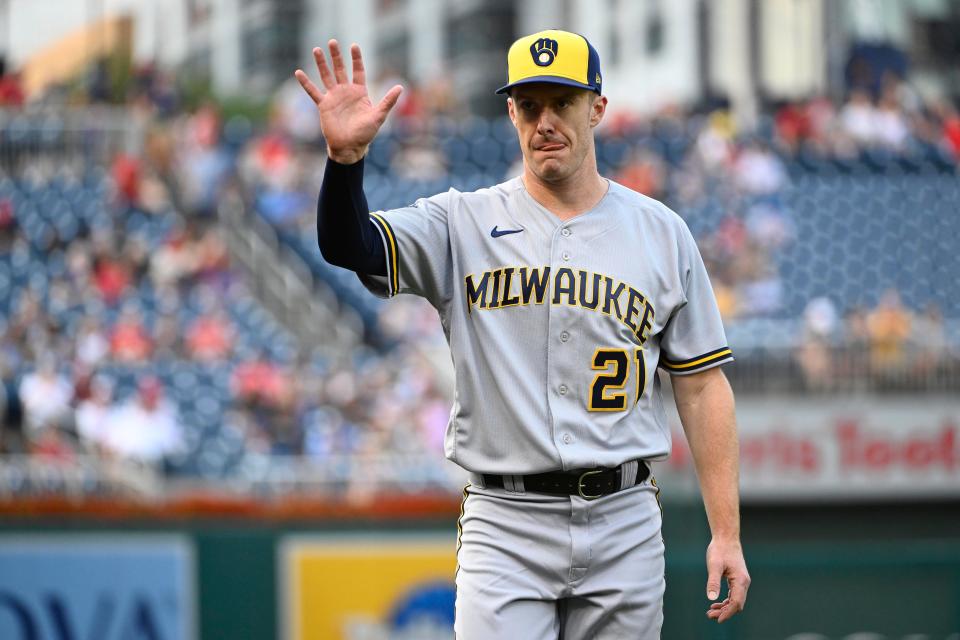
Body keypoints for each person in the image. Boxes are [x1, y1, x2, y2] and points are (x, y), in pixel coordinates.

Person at [297, 30, 750, 637]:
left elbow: (701, 387)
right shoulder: (461, 221)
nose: (546, 121)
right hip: (504, 519)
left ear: (597, 108)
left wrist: (726, 533)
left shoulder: (661, 233)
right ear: (511, 113)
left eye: (562, 102)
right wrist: (345, 165)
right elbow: (348, 246)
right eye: (530, 105)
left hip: (623, 516)